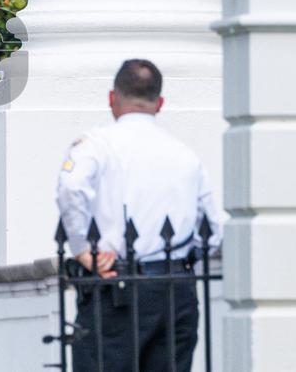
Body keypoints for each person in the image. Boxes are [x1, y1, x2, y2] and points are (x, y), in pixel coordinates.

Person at [56, 59, 222, 372]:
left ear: (111, 98)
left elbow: (71, 185)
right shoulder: (185, 156)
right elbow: (213, 230)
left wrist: (82, 249)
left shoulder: (97, 145)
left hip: (117, 286)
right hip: (177, 289)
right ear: (159, 103)